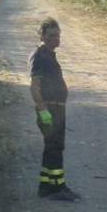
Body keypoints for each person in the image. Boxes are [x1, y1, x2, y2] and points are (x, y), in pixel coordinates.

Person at [29, 17, 80, 201]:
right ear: (42, 36)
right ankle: (58, 187)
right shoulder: (39, 56)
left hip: (57, 108)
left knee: (52, 147)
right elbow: (34, 86)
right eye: (51, 35)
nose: (56, 39)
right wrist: (43, 110)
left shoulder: (49, 54)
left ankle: (45, 186)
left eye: (58, 35)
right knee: (55, 148)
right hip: (50, 109)